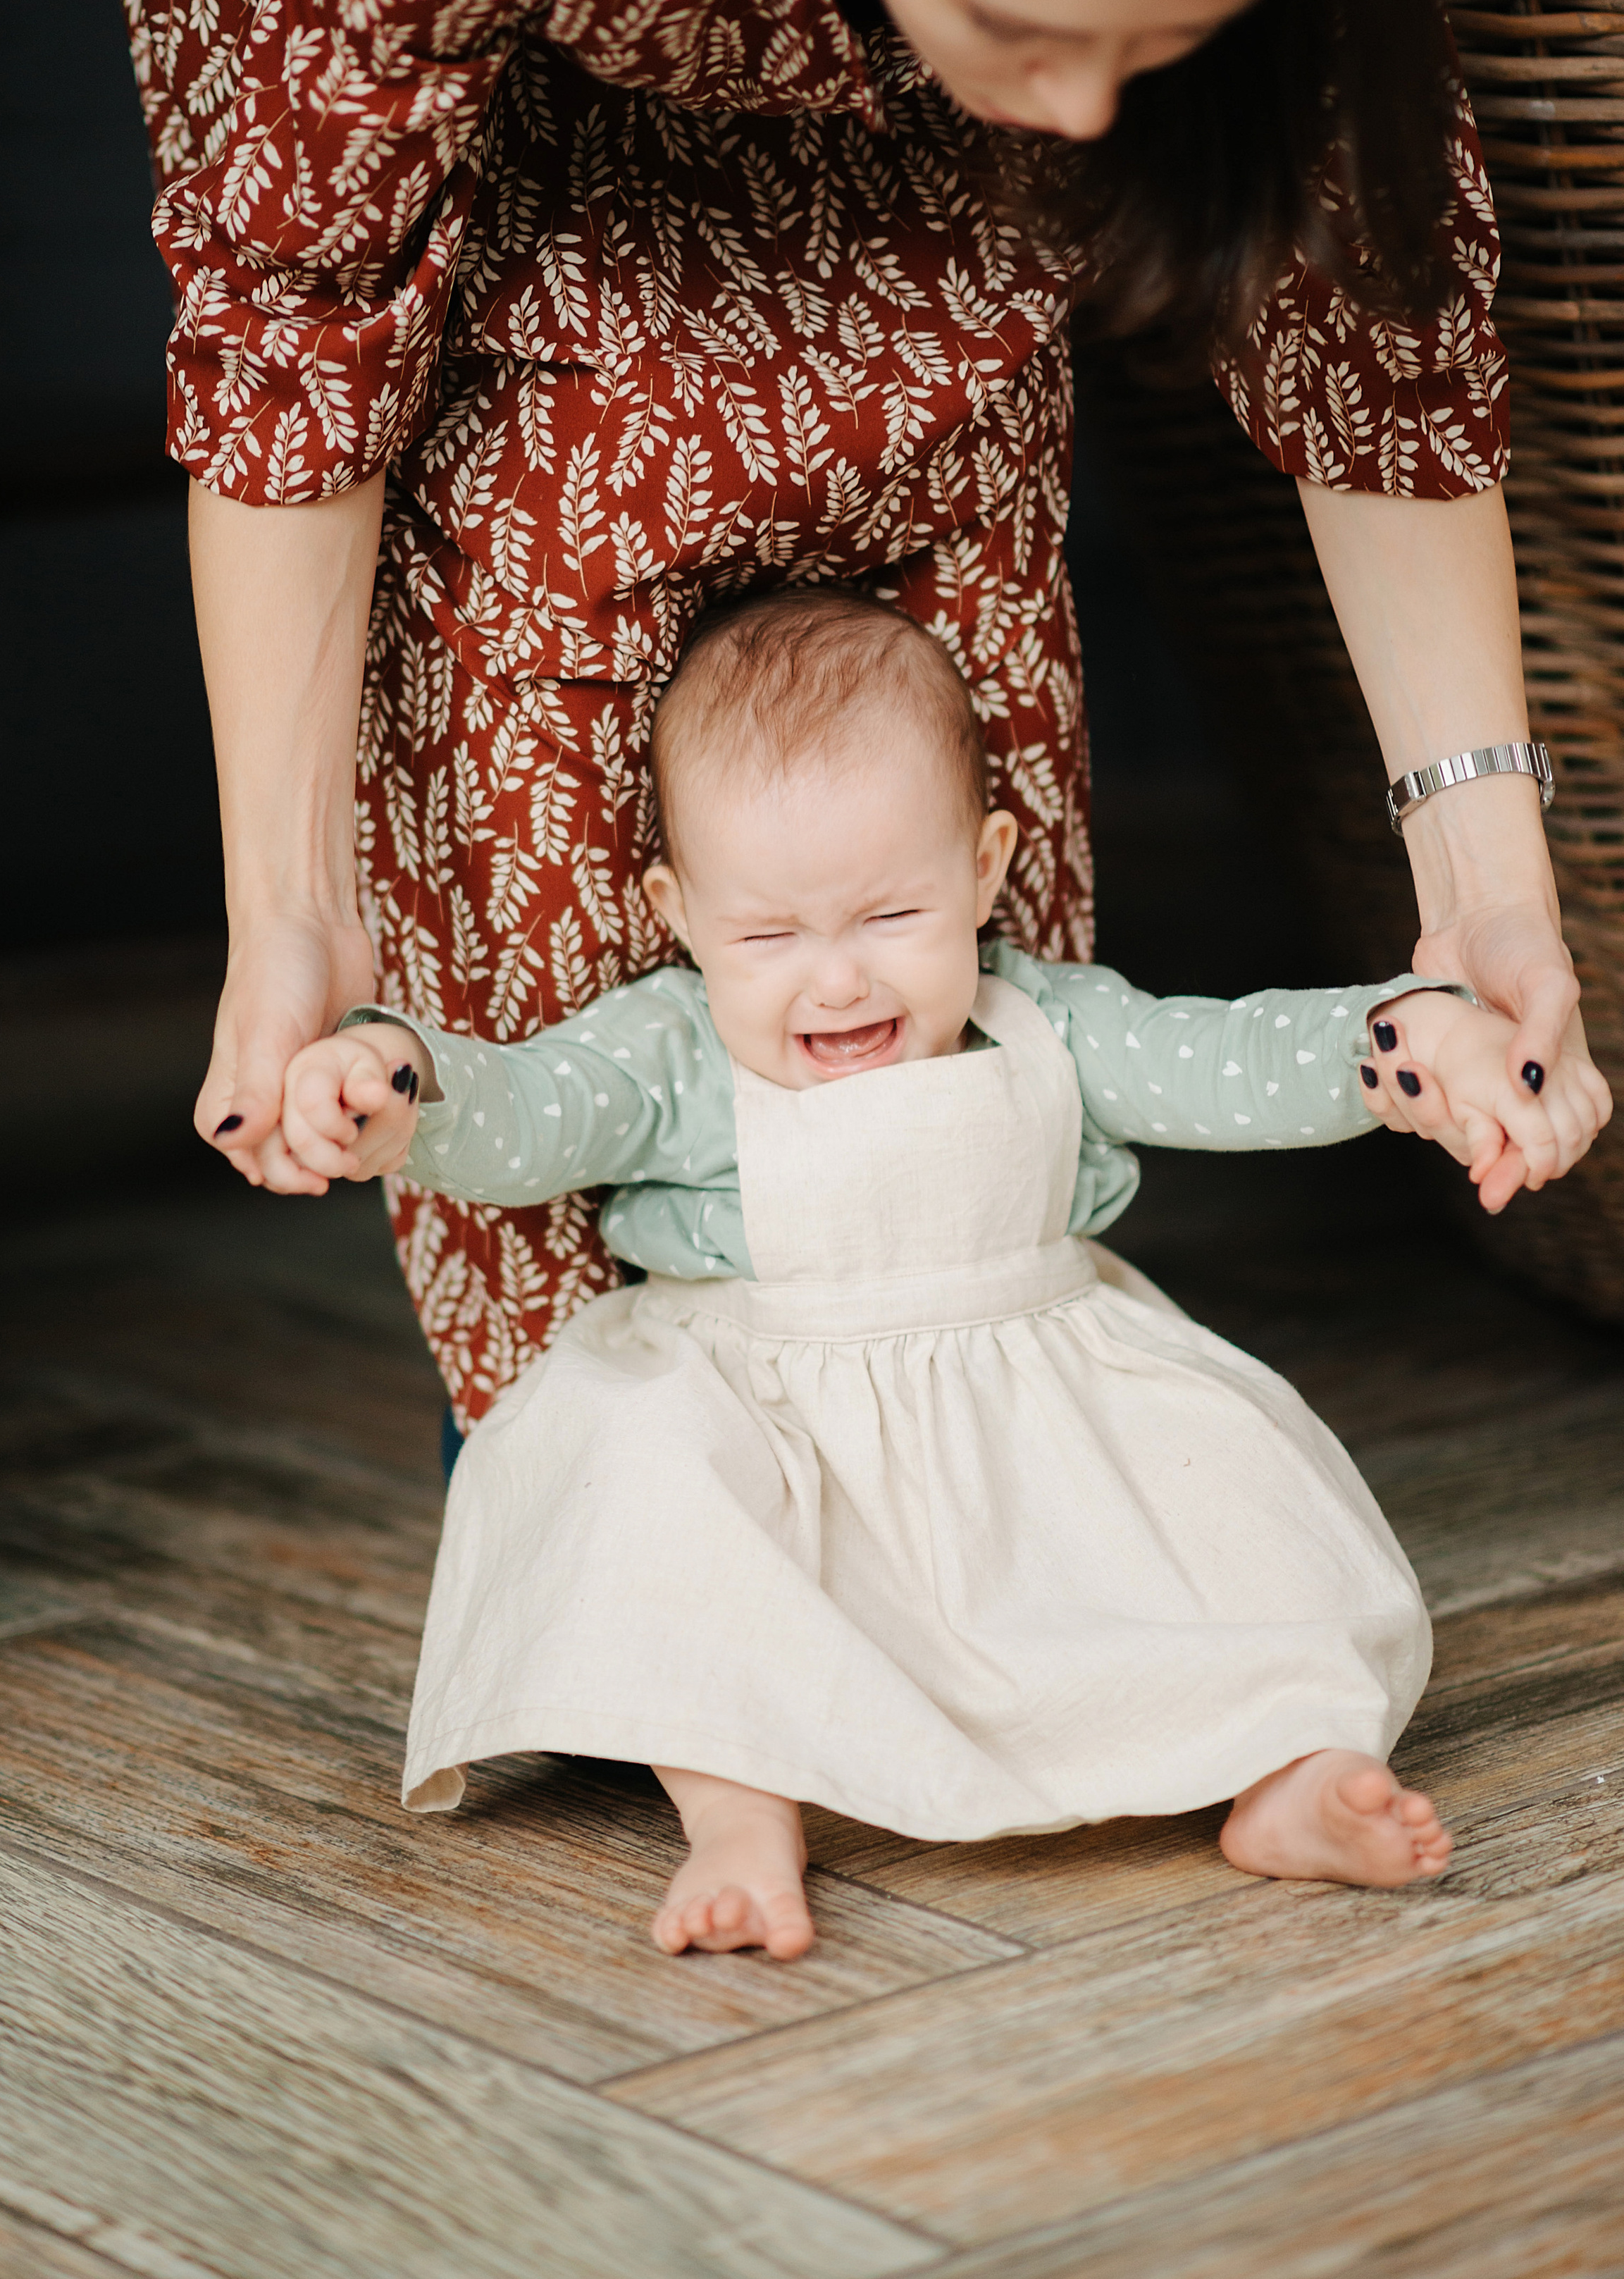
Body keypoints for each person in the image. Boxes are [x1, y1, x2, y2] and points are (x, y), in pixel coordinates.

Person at [95, 0, 1592, 1433]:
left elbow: (1367, 296)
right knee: (532, 809)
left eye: (1157, 48)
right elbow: (299, 320)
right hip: (545, 87)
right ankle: (645, 1558)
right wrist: (293, 910)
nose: (1080, 112)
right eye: (1024, 21)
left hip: (916, 207)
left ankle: (961, 1465)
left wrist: (1489, 891)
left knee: (930, 847)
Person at [277, 590, 1610, 1956]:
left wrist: (1404, 1041)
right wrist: (402, 1083)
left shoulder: (1043, 1018)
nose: (835, 978)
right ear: (673, 913)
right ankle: (739, 1819)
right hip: (766, 1424)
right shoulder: (670, 1050)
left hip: (1032, 1414)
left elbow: (1224, 1058)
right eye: (767, 936)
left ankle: (1286, 1773)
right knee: (645, 1499)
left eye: (891, 911)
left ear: (981, 870)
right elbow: (534, 1112)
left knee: (1237, 1530)